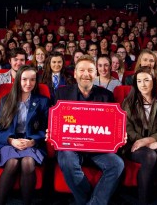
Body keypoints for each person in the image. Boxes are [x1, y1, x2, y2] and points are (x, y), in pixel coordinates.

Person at [52, 55, 124, 205]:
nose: (86, 74)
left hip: (98, 149)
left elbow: (111, 125)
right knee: (66, 159)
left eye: (90, 70)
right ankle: (90, 200)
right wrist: (52, 131)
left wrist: (119, 135)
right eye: (82, 70)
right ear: (75, 73)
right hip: (72, 148)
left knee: (117, 164)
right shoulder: (62, 94)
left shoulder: (106, 96)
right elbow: (56, 121)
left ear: (96, 73)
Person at [0, 65, 50, 205]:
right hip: (10, 142)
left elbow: (46, 129)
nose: (28, 84)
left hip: (31, 142)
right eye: (24, 79)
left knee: (28, 162)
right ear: (18, 80)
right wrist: (11, 141)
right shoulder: (6, 100)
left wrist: (32, 141)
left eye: (32, 80)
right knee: (12, 162)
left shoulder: (42, 101)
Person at [122, 67, 157, 205]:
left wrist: (151, 140)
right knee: (150, 156)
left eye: (146, 80)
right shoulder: (128, 102)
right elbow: (127, 128)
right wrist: (143, 141)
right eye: (139, 81)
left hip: (156, 142)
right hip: (134, 144)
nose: (143, 84)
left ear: (154, 81)